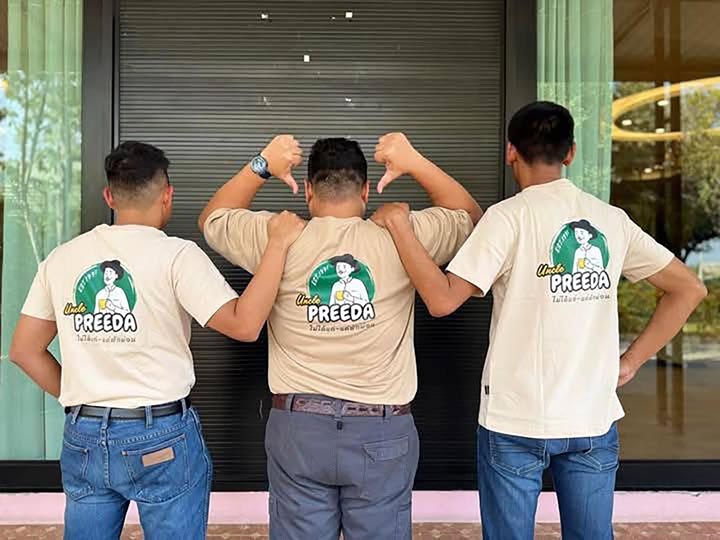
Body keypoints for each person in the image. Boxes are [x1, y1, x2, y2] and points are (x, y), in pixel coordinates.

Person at [371, 102, 707, 540]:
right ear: (571, 153)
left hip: (515, 420)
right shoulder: (610, 221)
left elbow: (442, 300)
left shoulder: (507, 218)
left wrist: (400, 228)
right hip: (591, 417)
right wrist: (631, 362)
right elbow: (689, 289)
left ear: (511, 151)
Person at [9, 141, 305, 540]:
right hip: (159, 435)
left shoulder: (62, 258)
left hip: (84, 435)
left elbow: (24, 351)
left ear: (109, 196)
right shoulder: (177, 256)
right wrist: (278, 244)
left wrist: (86, 396)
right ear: (168, 195)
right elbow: (245, 325)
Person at [198, 133, 482, 540]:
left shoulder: (277, 234)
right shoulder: (404, 232)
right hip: (381, 429)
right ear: (366, 191)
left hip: (299, 429)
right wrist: (413, 161)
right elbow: (469, 214)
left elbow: (213, 217)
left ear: (308, 190)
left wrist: (263, 163)